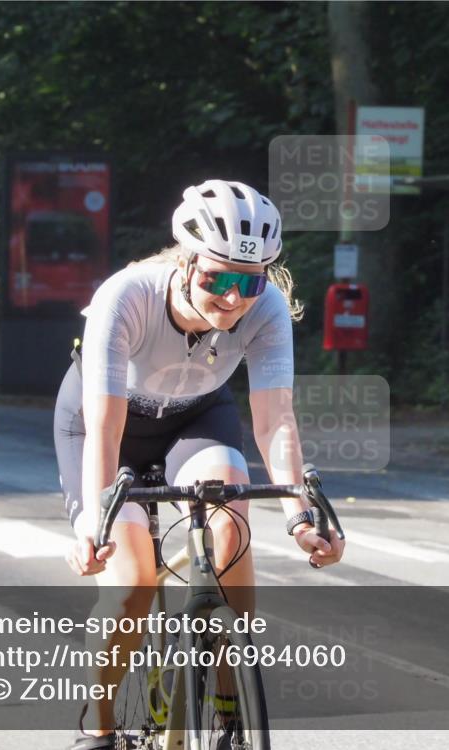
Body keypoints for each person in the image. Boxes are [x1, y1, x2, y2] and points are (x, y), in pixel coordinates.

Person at [53, 179, 345, 747]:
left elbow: (275, 421)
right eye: (218, 278)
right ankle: (101, 723)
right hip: (108, 426)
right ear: (187, 263)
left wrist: (301, 517)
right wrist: (95, 522)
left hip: (195, 417)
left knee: (230, 514)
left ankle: (231, 704)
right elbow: (106, 427)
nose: (233, 297)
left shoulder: (269, 310)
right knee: (133, 581)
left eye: (249, 282)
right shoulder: (127, 295)